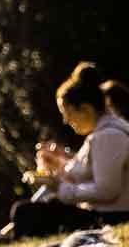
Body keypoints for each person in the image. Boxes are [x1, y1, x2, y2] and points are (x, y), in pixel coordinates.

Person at [12, 62, 129, 236]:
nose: (66, 121)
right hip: (105, 213)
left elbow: (107, 191)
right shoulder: (103, 133)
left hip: (112, 217)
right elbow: (89, 169)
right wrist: (59, 163)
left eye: (67, 113)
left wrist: (60, 187)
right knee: (28, 210)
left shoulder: (108, 136)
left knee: (24, 212)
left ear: (86, 109)